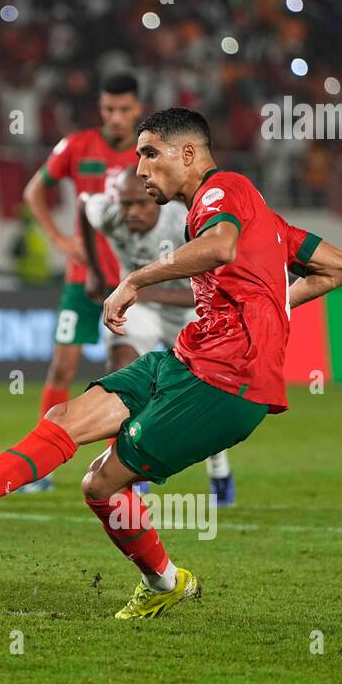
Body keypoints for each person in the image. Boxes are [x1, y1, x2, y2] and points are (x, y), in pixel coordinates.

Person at [0, 108, 342, 620]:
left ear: (187, 153)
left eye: (149, 153)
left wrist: (135, 280)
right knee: (63, 419)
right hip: (187, 359)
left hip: (227, 385)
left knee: (101, 482)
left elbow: (219, 247)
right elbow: (341, 267)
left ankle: (163, 581)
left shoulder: (221, 188)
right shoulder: (264, 217)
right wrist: (274, 303)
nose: (140, 168)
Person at [79, 168, 236, 505]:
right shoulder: (110, 214)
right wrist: (93, 268)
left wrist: (145, 292)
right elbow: (83, 205)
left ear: (157, 202)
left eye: (139, 204)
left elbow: (214, 289)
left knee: (208, 394)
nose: (131, 212)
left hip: (193, 310)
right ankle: (129, 467)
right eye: (125, 204)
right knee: (122, 365)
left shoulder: (185, 224)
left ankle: (219, 469)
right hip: (143, 308)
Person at [19, 73, 144, 492]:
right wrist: (58, 240)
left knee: (125, 374)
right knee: (62, 365)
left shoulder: (149, 152)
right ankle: (42, 465)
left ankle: (124, 466)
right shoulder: (76, 146)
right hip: (83, 281)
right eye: (109, 109)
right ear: (100, 108)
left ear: (138, 109)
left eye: (124, 109)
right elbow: (34, 190)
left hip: (130, 282)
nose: (116, 117)